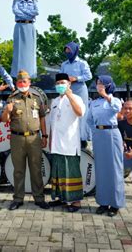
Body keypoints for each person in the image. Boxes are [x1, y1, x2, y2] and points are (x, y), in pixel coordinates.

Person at [1, 70, 50, 210]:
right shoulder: (11, 98)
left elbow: (42, 118)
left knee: (36, 169)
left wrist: (45, 135)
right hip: (17, 138)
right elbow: (5, 121)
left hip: (35, 138)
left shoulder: (37, 98)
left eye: (25, 82)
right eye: (19, 82)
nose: (22, 84)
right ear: (16, 83)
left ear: (29, 83)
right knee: (18, 170)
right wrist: (7, 111)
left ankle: (39, 198)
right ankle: (18, 199)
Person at [86, 75, 124, 217]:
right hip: (99, 135)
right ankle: (103, 202)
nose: (99, 85)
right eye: (97, 83)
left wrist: (105, 95)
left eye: (102, 83)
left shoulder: (114, 100)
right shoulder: (94, 103)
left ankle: (115, 203)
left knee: (114, 169)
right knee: (101, 169)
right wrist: (95, 131)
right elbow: (89, 120)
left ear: (108, 85)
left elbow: (117, 108)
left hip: (112, 133)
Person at [48, 73, 86, 212]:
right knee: (58, 172)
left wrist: (69, 95)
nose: (60, 86)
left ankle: (76, 202)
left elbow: (80, 112)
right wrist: (50, 140)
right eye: (57, 83)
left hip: (70, 143)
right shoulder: (55, 101)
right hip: (56, 143)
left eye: (63, 83)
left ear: (69, 84)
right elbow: (53, 123)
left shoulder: (76, 98)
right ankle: (60, 198)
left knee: (71, 172)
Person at [60, 42, 92, 145]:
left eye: (69, 50)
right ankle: (70, 136)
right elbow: (61, 77)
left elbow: (89, 76)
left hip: (80, 90)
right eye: (66, 51)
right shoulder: (64, 64)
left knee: (82, 112)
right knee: (68, 110)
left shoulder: (82, 63)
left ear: (75, 50)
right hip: (68, 89)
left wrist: (76, 78)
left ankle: (82, 138)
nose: (67, 52)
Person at [10, 0, 39, 78]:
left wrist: (23, 12)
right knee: (18, 52)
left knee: (30, 53)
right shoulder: (16, 2)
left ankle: (30, 75)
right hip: (19, 26)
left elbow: (36, 12)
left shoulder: (34, 2)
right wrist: (28, 14)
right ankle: (17, 75)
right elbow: (15, 11)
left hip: (30, 26)